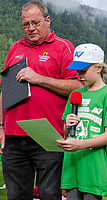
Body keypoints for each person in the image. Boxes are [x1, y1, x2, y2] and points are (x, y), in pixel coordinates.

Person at [0, 1, 82, 200]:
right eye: (26, 25)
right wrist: (1, 126)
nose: (31, 28)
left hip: (49, 135)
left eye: (35, 23)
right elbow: (5, 89)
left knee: (48, 194)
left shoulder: (63, 47)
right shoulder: (15, 48)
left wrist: (38, 78)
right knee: (16, 195)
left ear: (47, 20)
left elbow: (77, 87)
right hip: (14, 135)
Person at [57, 43, 107, 200]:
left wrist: (80, 145)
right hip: (72, 167)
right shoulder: (75, 94)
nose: (79, 75)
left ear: (99, 68)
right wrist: (67, 125)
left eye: (84, 71)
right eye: (77, 71)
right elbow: (65, 132)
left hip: (94, 170)